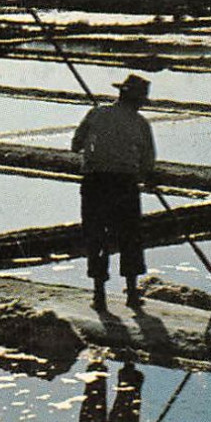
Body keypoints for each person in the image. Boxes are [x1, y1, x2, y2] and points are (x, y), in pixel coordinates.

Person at [71, 74, 156, 310]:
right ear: (137, 101)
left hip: (95, 182)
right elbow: (148, 162)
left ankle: (99, 295)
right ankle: (131, 294)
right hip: (124, 185)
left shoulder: (97, 114)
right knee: (130, 236)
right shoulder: (140, 124)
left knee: (96, 235)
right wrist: (146, 176)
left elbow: (75, 145)